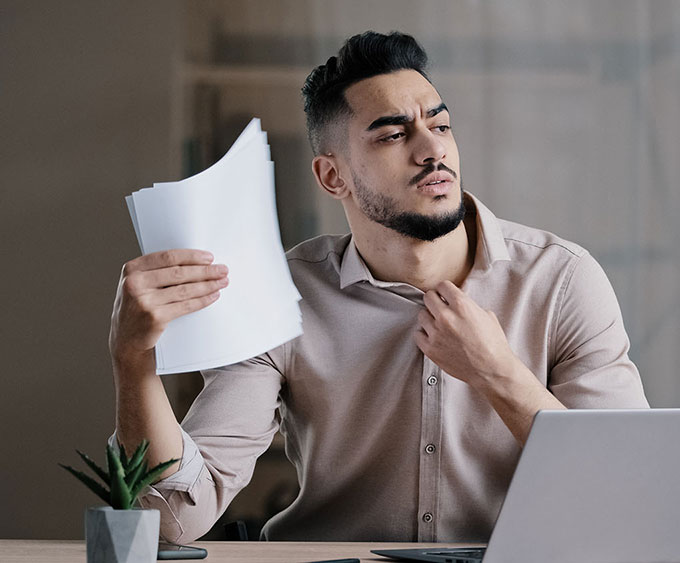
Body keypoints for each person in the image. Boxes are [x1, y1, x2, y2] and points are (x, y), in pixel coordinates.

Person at [109, 31, 648, 544]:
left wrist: (497, 372)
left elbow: (630, 497)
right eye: (393, 134)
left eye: (440, 125)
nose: (431, 150)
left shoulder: (563, 280)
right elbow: (175, 517)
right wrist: (133, 359)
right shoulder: (282, 295)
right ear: (331, 177)